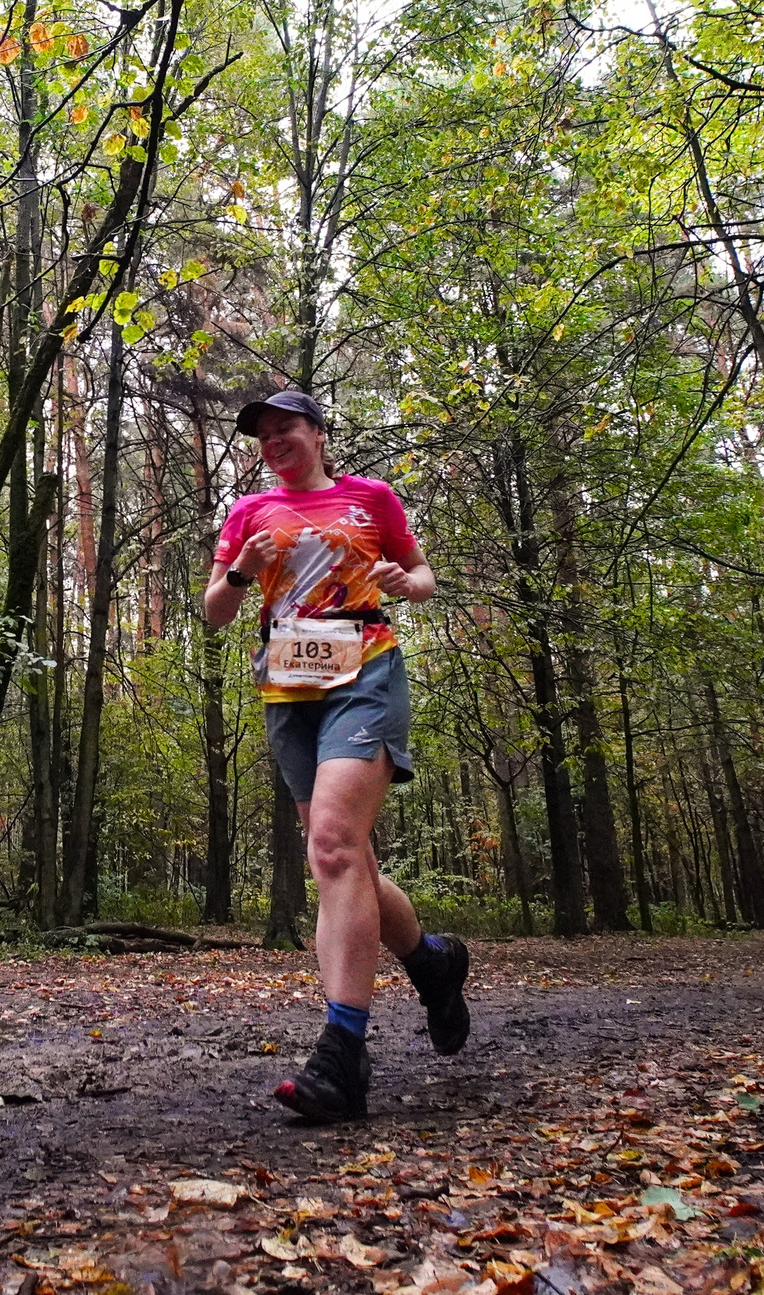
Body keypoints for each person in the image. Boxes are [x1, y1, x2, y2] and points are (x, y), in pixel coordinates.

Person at [202, 389, 468, 1123]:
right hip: (288, 683)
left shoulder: (370, 498)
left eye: (285, 428)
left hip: (367, 664)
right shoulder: (249, 513)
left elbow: (422, 577)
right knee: (345, 859)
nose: (272, 440)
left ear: (319, 433)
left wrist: (400, 582)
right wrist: (240, 573)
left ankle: (342, 1055)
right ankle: (431, 961)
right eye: (262, 434)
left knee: (331, 845)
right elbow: (215, 610)